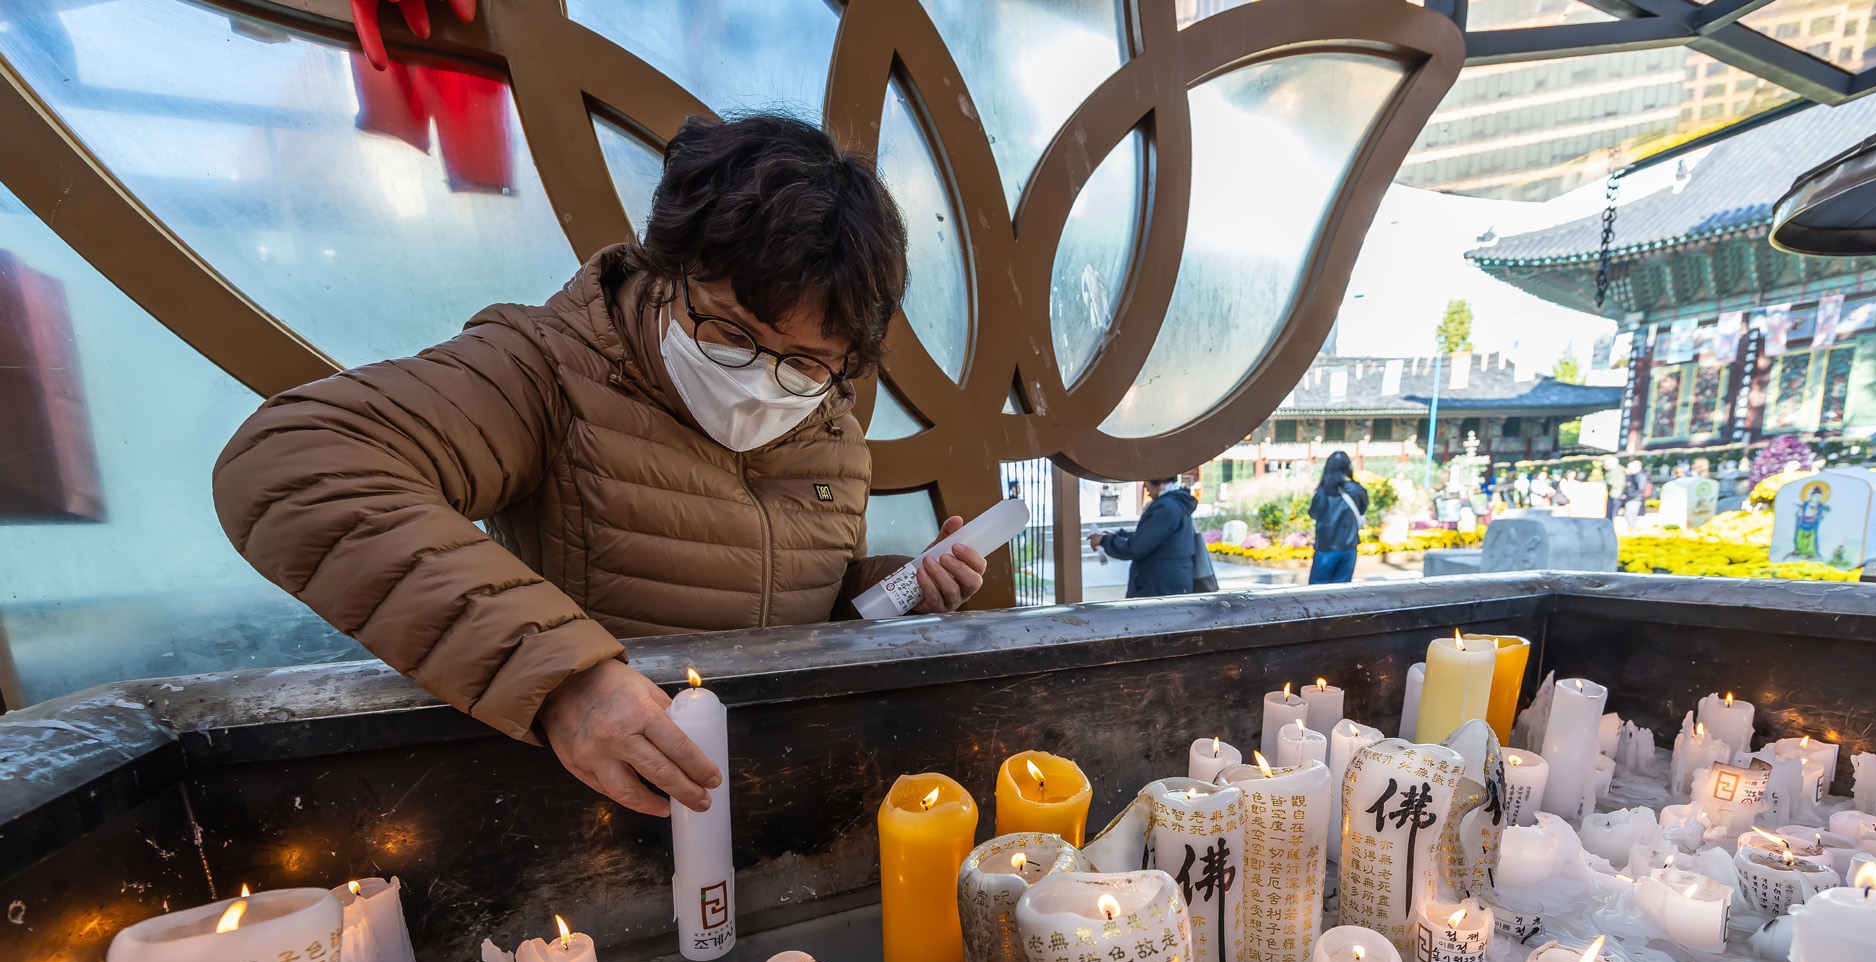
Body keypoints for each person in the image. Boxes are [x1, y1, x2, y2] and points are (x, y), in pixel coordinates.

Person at [213, 113, 985, 818]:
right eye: (729, 333)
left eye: (806, 361)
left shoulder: (829, 428)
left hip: (772, 809)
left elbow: (796, 606)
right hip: (585, 815)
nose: (760, 380)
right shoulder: (549, 370)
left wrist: (898, 592)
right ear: (669, 269)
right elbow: (292, 462)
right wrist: (563, 677)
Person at [1090, 478, 1198, 597]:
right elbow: (1149, 537)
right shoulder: (1176, 503)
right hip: (1169, 581)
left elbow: (1136, 547)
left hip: (1159, 585)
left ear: (1157, 480)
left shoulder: (1165, 507)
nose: (1146, 489)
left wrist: (1104, 541)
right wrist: (1116, 535)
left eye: (1146, 483)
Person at [1307, 451, 1369, 584]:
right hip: (1349, 546)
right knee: (1341, 590)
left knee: (1316, 590)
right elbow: (1362, 510)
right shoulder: (1357, 490)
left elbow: (1313, 513)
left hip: (1325, 547)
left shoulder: (1322, 492)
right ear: (1347, 467)